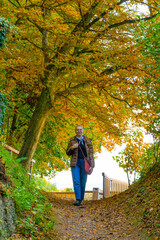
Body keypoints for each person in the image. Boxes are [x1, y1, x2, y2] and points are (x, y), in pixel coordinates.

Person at [66, 125, 95, 206]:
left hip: (85, 163)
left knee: (83, 182)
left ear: (83, 130)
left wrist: (92, 166)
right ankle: (78, 199)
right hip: (75, 163)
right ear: (75, 131)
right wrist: (72, 147)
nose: (79, 131)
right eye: (77, 130)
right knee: (76, 181)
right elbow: (67, 152)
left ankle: (81, 199)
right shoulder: (72, 140)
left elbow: (91, 154)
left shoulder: (88, 141)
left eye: (80, 129)